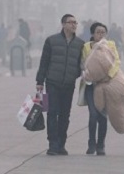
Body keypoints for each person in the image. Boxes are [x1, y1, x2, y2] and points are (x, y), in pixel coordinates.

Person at [35, 14, 85, 156]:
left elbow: (80, 64)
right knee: (52, 113)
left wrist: (75, 75)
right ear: (63, 24)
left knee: (65, 115)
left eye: (75, 22)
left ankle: (62, 143)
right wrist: (40, 81)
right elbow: (44, 62)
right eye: (70, 22)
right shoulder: (51, 41)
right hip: (52, 83)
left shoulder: (80, 44)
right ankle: (52, 144)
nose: (74, 25)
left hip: (69, 84)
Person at [80, 22, 120, 156]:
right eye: (98, 32)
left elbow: (116, 62)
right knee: (93, 114)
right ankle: (91, 142)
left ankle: (101, 144)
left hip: (105, 86)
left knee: (103, 116)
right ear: (92, 34)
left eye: (103, 32)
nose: (101, 34)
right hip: (91, 86)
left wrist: (109, 75)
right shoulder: (86, 47)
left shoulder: (111, 45)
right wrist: (87, 74)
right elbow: (84, 63)